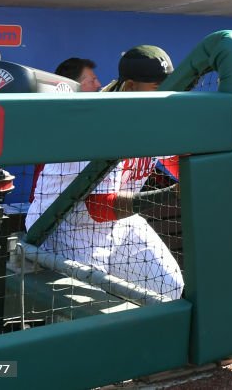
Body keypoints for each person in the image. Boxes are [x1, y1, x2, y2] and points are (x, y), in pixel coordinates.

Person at [25, 46, 184, 299]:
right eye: (157, 87)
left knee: (171, 289)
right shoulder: (99, 122)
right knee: (92, 309)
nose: (166, 94)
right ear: (131, 86)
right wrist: (171, 194)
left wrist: (192, 173)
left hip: (120, 222)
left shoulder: (154, 114)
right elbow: (98, 207)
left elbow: (175, 157)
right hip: (65, 227)